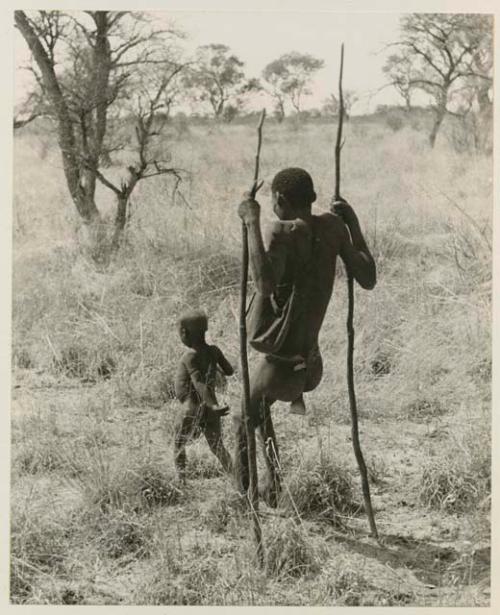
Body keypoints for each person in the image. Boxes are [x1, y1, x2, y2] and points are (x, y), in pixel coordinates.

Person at [235, 167, 376, 506]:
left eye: (271, 202)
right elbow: (368, 278)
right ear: (312, 199)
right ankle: (274, 480)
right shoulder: (333, 227)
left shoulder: (281, 232)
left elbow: (264, 286)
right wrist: (353, 224)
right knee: (260, 408)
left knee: (243, 418)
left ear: (280, 199)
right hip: (311, 366)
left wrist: (251, 222)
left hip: (280, 367)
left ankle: (247, 501)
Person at [173, 310, 234, 481]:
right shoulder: (214, 351)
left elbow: (198, 382)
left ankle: (181, 479)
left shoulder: (189, 356)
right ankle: (236, 475)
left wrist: (212, 405)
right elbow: (229, 370)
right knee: (217, 446)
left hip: (191, 406)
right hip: (211, 406)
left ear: (184, 332)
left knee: (179, 442)